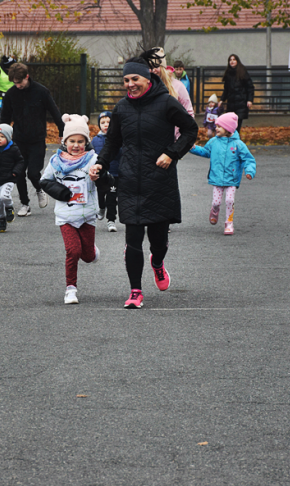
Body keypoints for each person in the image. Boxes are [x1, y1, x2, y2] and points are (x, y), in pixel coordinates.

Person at [90, 58, 198, 309]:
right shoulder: (121, 108)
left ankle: (157, 263)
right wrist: (100, 164)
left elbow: (191, 129)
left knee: (158, 241)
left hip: (159, 179)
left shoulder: (166, 103)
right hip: (130, 179)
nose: (130, 84)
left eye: (135, 79)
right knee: (133, 238)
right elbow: (112, 143)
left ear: (147, 80)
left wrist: (172, 153)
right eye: (126, 80)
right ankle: (135, 291)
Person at [40, 114, 112, 305]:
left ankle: (92, 252)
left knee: (87, 257)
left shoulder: (92, 159)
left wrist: (99, 176)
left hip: (88, 214)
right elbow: (44, 181)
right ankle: (70, 289)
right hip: (66, 216)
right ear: (64, 141)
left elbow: (108, 181)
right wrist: (61, 192)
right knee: (73, 251)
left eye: (81, 141)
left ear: (86, 142)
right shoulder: (56, 161)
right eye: (72, 141)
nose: (76, 145)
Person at [0, 62, 65, 217]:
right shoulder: (11, 94)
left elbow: (55, 112)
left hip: (37, 139)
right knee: (19, 172)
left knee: (34, 173)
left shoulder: (41, 92)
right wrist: (2, 136)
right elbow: (5, 119)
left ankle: (39, 188)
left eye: (19, 82)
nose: (17, 85)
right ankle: (25, 204)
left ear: (26, 77)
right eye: (14, 83)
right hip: (19, 139)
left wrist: (62, 131)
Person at [189, 112, 256, 236]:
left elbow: (248, 159)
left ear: (228, 128)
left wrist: (250, 171)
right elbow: (205, 152)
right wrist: (193, 148)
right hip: (217, 177)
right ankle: (214, 210)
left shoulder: (238, 145)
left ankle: (229, 223)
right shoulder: (214, 142)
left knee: (230, 200)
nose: (216, 128)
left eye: (220, 126)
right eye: (216, 126)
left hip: (232, 179)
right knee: (216, 202)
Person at [140, 48, 194, 138]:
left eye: (156, 66)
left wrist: (183, 137)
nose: (153, 70)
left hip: (173, 139)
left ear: (163, 67)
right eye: (150, 67)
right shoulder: (145, 87)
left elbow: (188, 112)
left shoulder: (178, 86)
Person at [90, 111, 120, 232]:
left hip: (115, 174)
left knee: (112, 198)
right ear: (99, 125)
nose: (106, 124)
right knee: (101, 195)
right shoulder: (95, 140)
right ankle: (101, 207)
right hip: (101, 174)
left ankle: (111, 220)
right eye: (103, 122)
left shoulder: (119, 138)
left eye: (109, 122)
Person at [219, 54, 254, 133]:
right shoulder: (228, 73)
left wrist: (250, 100)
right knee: (230, 124)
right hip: (231, 102)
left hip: (241, 102)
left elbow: (250, 87)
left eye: (234, 60)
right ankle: (233, 141)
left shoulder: (242, 72)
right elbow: (226, 89)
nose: (232, 61)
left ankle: (236, 141)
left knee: (237, 125)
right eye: (230, 60)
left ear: (237, 61)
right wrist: (222, 99)